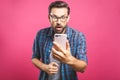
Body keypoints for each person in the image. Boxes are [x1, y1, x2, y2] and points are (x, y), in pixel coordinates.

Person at [32, 0, 88, 80]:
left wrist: (69, 60)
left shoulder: (78, 36)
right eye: (54, 17)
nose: (58, 22)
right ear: (49, 17)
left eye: (62, 17)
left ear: (68, 18)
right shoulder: (41, 34)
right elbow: (34, 58)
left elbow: (83, 67)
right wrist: (45, 67)